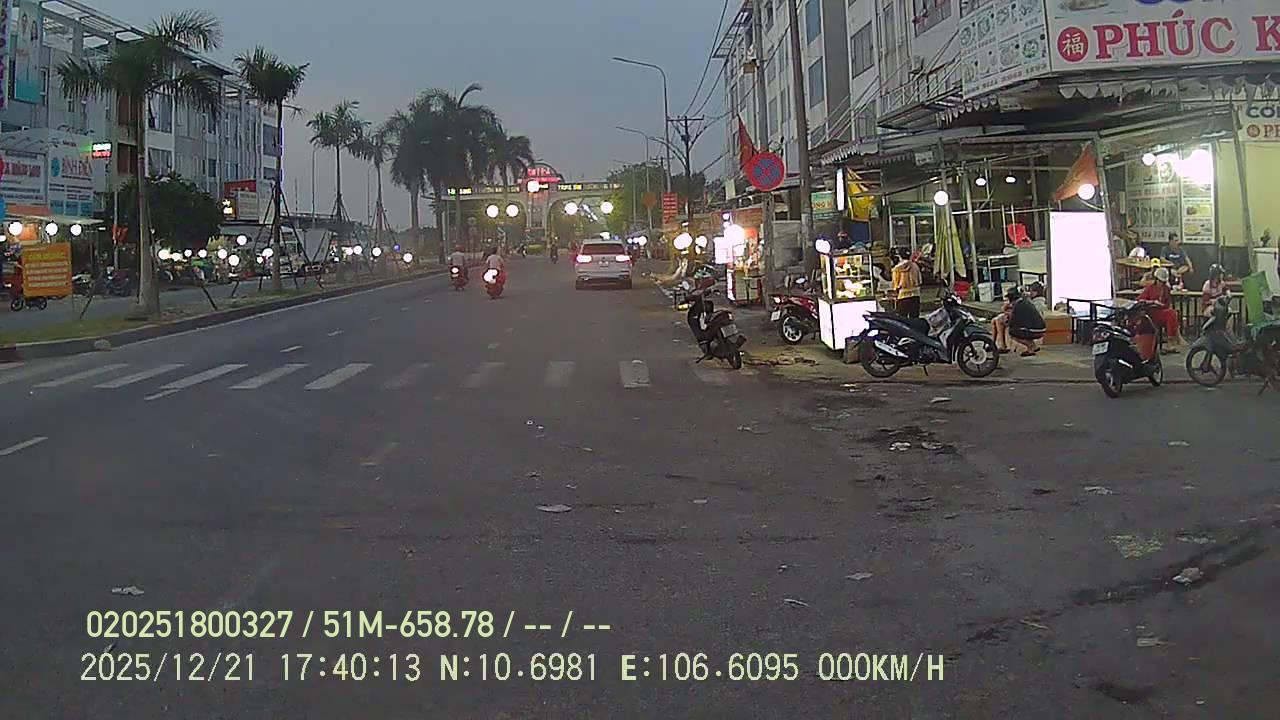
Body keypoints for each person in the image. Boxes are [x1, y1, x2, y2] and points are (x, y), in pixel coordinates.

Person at [1137, 267, 1182, 351]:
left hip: (1162, 312)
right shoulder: (1150, 288)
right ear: (1156, 280)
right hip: (1151, 313)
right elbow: (1140, 300)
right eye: (1160, 281)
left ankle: (1171, 339)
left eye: (1163, 282)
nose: (1162, 283)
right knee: (1171, 314)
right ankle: (1173, 340)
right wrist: (1152, 302)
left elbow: (1167, 304)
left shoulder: (1166, 289)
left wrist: (1161, 305)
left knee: (1172, 313)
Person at [994, 286, 1046, 356]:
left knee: (1013, 332)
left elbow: (1012, 322)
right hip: (1040, 328)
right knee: (1020, 329)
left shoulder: (1018, 305)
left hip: (1035, 330)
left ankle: (1030, 347)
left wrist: (1004, 311)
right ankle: (1033, 346)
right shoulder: (1024, 302)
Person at [891, 248, 922, 319]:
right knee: (914, 319)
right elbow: (920, 281)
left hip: (903, 296)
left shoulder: (896, 269)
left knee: (902, 320)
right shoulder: (915, 266)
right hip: (915, 295)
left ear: (900, 256)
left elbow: (895, 285)